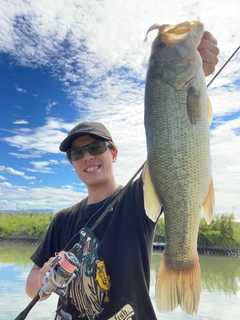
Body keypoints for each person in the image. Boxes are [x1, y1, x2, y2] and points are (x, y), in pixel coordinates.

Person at [26, 31, 219, 320]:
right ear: (72, 163)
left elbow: (172, 150)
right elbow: (31, 287)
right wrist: (43, 278)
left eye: (96, 147)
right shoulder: (62, 219)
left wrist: (193, 73)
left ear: (113, 153)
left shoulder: (135, 199)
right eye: (77, 153)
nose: (87, 156)